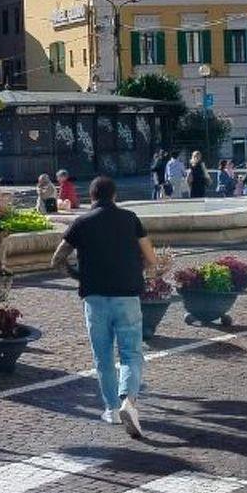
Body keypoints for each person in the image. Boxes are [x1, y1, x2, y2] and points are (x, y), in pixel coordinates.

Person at [53, 176, 160, 440]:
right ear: (114, 196)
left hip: (95, 298)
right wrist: (138, 271)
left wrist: (78, 276)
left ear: (91, 197)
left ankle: (112, 409)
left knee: (103, 356)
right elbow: (151, 258)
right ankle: (129, 402)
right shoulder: (130, 219)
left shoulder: (81, 222)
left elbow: (57, 258)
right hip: (127, 295)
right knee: (131, 353)